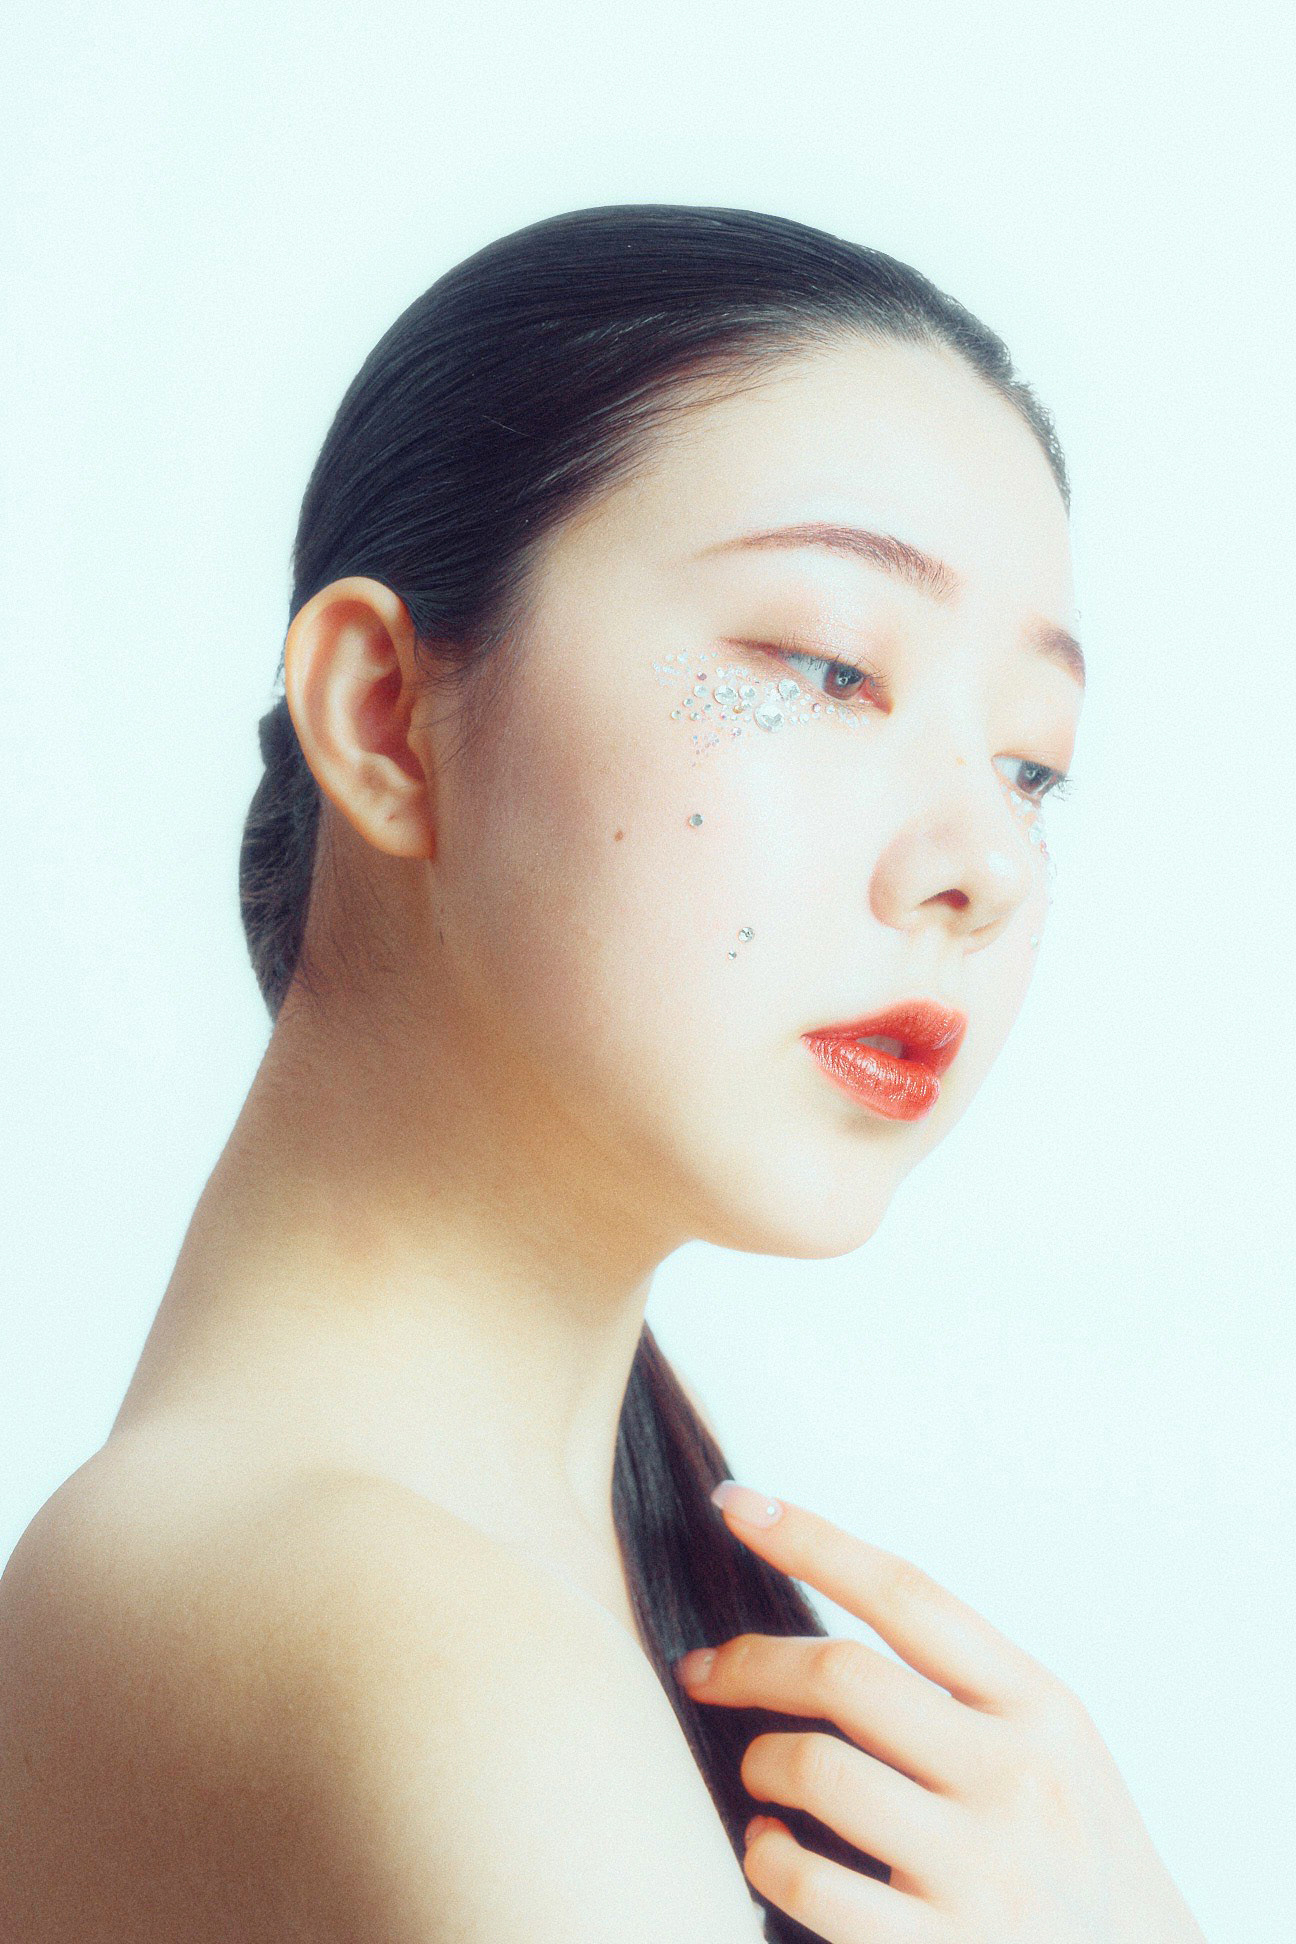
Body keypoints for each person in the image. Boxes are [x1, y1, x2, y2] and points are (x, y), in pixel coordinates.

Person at [0, 204, 1205, 1943]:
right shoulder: (428, 1658)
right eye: (829, 669)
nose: (989, 865)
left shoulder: (382, 1576)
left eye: (1033, 766)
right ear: (383, 714)